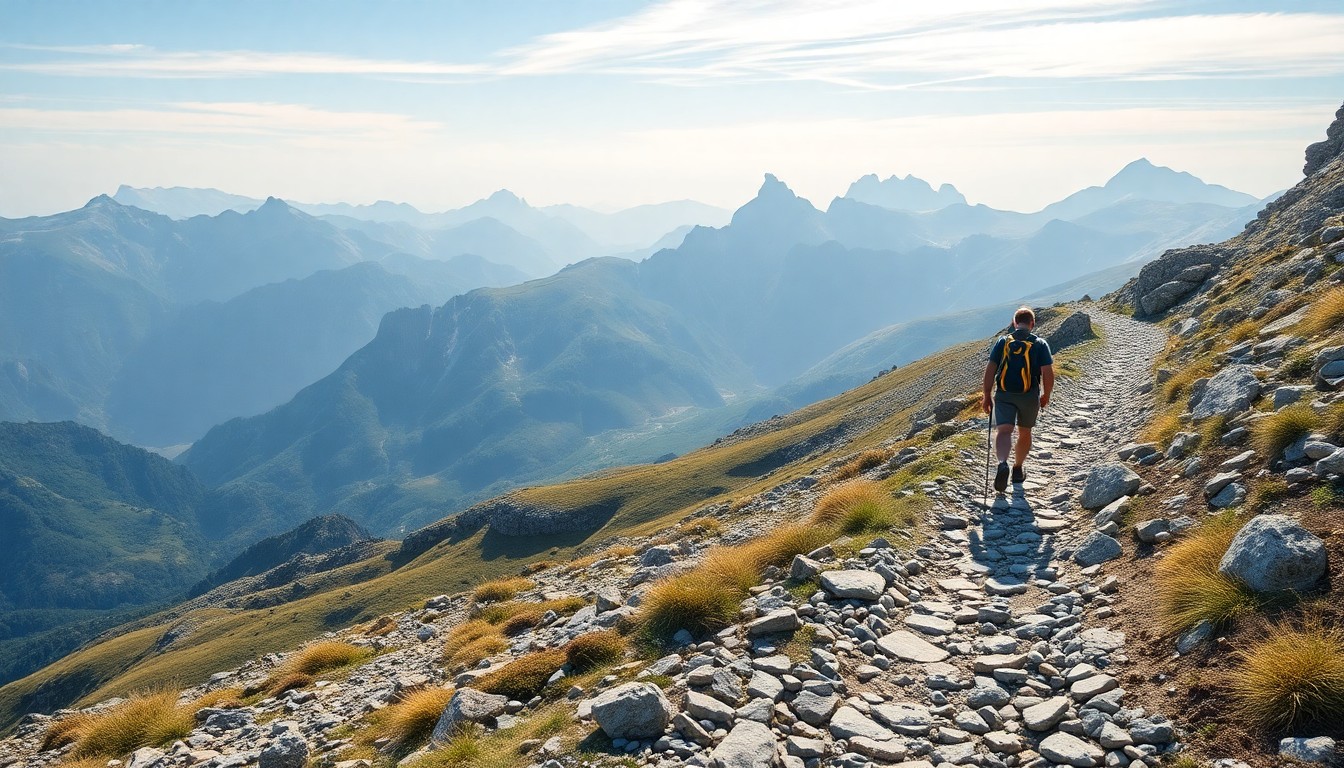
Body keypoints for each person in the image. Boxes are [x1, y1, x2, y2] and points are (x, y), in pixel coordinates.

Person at [981, 306, 1055, 493]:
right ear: (1032, 323)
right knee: (1024, 432)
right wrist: (1046, 395)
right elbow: (1047, 373)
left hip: (1004, 393)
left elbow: (990, 369)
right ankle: (1017, 469)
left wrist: (986, 395)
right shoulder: (1039, 344)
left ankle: (1003, 463)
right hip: (1029, 395)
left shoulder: (1003, 342)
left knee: (1004, 430)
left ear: (1014, 323)